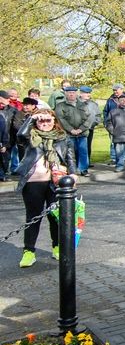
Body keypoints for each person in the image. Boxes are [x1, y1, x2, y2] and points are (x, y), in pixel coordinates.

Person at [15, 111, 75, 267]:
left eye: (48, 120)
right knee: (33, 217)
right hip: (33, 182)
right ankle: (29, 251)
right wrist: (32, 118)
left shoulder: (63, 137)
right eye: (41, 121)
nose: (45, 123)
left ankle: (57, 247)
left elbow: (70, 157)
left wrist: (73, 174)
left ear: (54, 120)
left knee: (55, 217)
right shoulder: (30, 136)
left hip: (55, 182)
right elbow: (20, 136)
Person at [54, 86, 93, 176]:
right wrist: (71, 130)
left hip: (82, 133)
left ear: (76, 94)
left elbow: (89, 118)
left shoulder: (83, 105)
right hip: (68, 134)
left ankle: (83, 169)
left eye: (73, 92)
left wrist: (81, 129)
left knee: (83, 151)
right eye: (69, 92)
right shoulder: (60, 106)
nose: (71, 94)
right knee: (70, 153)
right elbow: (61, 119)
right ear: (65, 94)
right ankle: (71, 170)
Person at [103, 83, 125, 163]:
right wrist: (106, 122)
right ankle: (114, 158)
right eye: (113, 90)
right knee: (113, 142)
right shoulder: (110, 99)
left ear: (122, 89)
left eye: (116, 90)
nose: (115, 91)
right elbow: (105, 111)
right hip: (114, 125)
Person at [78, 86, 100, 168]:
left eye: (89, 93)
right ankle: (79, 163)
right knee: (78, 147)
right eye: (86, 93)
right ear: (81, 93)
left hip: (90, 128)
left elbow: (97, 115)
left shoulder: (93, 104)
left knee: (88, 146)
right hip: (78, 129)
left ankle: (87, 162)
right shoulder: (75, 103)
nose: (88, 94)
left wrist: (94, 123)